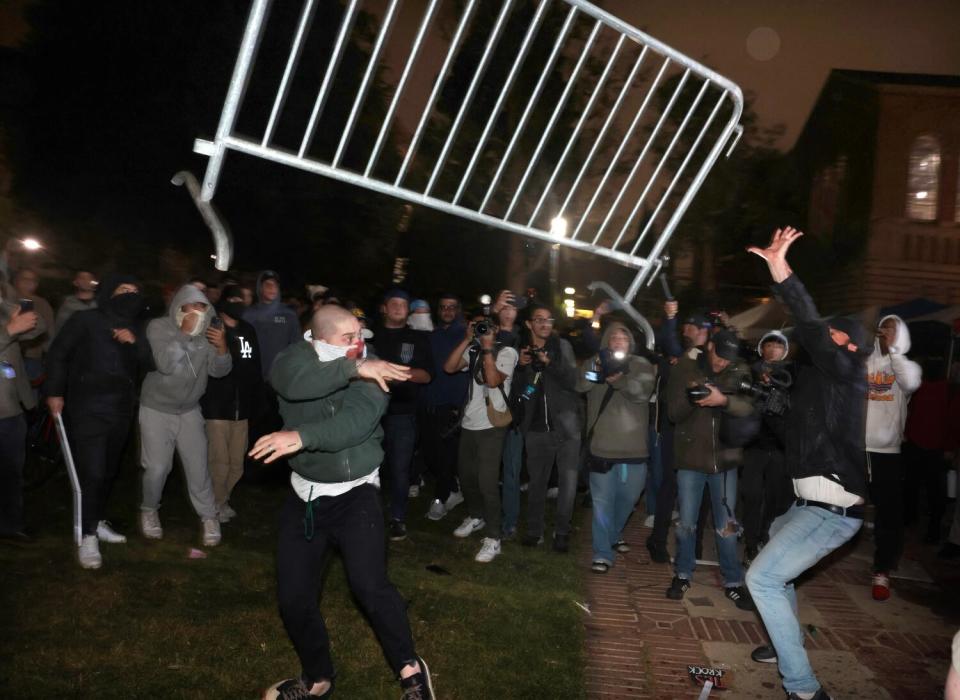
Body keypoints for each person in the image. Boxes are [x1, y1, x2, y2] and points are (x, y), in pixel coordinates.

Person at [249, 304, 433, 700]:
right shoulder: (292, 361)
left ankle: (411, 672)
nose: (357, 347)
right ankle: (317, 677)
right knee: (293, 597)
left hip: (356, 494)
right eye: (346, 339)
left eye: (359, 337)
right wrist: (350, 368)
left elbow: (353, 426)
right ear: (316, 340)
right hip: (305, 496)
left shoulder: (372, 369)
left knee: (369, 586)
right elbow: (294, 383)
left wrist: (300, 437)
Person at [745, 227, 870, 700]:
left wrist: (781, 271)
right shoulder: (819, 382)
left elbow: (814, 327)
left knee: (763, 578)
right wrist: (774, 409)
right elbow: (793, 441)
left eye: (834, 335)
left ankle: (804, 689)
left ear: (850, 344)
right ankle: (785, 644)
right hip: (807, 504)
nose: (821, 340)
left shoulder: (849, 369)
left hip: (832, 511)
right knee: (776, 552)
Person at [45, 274, 150, 568]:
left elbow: (149, 361)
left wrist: (134, 342)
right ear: (108, 293)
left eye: (134, 290)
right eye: (123, 289)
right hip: (87, 406)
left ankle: (96, 519)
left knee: (108, 471)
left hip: (121, 409)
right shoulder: (86, 320)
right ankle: (87, 535)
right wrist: (54, 391)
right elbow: (58, 354)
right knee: (92, 470)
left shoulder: (137, 327)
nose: (130, 294)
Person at [665, 327, 756, 610]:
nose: (723, 362)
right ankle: (682, 573)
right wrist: (695, 397)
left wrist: (723, 400)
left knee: (726, 526)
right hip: (691, 458)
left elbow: (748, 407)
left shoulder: (739, 369)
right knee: (686, 523)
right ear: (710, 346)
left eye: (729, 358)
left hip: (725, 459)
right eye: (720, 356)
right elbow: (672, 413)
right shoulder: (686, 367)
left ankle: (732, 582)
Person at [138, 284, 231, 546]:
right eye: (192, 306)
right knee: (157, 468)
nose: (198, 312)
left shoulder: (209, 334)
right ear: (179, 307)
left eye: (203, 306)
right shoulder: (159, 327)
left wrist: (222, 348)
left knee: (198, 466)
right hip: (156, 408)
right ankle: (149, 509)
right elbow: (165, 365)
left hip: (189, 410)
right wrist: (184, 334)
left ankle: (208, 516)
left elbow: (219, 371)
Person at [576, 321, 656, 573]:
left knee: (628, 499)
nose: (618, 340)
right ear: (606, 341)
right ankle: (602, 553)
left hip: (634, 450)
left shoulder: (640, 364)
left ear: (630, 342)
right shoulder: (593, 362)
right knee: (602, 502)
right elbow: (581, 385)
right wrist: (597, 369)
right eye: (613, 337)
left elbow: (641, 393)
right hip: (602, 447)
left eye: (623, 337)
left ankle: (612, 534)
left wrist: (619, 379)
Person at [443, 310, 518, 563]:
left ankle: (494, 537)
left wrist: (487, 348)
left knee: (487, 481)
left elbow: (494, 380)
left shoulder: (507, 352)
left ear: (496, 329)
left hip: (492, 425)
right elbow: (449, 367)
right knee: (466, 476)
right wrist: (467, 339)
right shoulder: (472, 349)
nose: (481, 330)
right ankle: (476, 516)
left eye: (486, 327)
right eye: (476, 326)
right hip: (469, 423)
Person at [512, 302, 582, 552]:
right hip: (536, 428)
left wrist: (550, 363)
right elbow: (517, 391)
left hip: (566, 427)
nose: (544, 324)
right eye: (539, 319)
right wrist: (521, 366)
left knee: (568, 483)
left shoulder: (562, 347)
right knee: (537, 483)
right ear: (529, 324)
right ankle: (534, 531)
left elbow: (575, 381)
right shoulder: (521, 351)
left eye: (549, 320)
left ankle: (562, 533)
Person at [865, 313, 921, 601]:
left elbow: (910, 384)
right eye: (884, 327)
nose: (886, 332)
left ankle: (882, 570)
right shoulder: (865, 362)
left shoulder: (907, 367)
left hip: (887, 452)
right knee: (840, 508)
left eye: (893, 329)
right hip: (857, 449)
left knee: (889, 515)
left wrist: (894, 351)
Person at [200, 284, 264, 523]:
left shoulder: (248, 330)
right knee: (219, 462)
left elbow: (255, 366)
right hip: (217, 407)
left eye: (242, 298)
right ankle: (215, 506)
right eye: (234, 298)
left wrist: (256, 399)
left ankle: (220, 500)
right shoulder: (213, 328)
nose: (239, 303)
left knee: (237, 463)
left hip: (242, 408)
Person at [372, 289, 432, 541]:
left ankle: (397, 517)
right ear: (384, 308)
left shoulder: (417, 338)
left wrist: (396, 373)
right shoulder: (368, 335)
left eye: (403, 304)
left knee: (399, 469)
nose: (398, 307)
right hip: (369, 413)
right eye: (393, 303)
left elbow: (427, 375)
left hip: (402, 413)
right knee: (369, 467)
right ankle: (367, 515)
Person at [740, 330, 795, 563]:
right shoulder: (750, 372)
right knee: (751, 495)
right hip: (754, 445)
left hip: (780, 447)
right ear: (762, 348)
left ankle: (765, 534)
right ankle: (751, 542)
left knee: (776, 498)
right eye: (769, 345)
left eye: (779, 346)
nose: (774, 350)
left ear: (785, 350)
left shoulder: (793, 375)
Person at [0, 271, 43, 541]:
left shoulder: (4, 306)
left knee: (11, 473)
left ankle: (10, 525)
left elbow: (38, 329)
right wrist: (9, 331)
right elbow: (10, 334)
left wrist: (19, 309)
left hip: (10, 409)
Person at [421, 294, 468, 521]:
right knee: (431, 455)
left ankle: (440, 499)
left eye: (452, 307)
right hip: (431, 401)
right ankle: (453, 487)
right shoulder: (433, 336)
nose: (448, 311)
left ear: (458, 310)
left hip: (454, 403)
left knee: (447, 454)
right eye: (443, 307)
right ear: (438, 311)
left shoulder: (467, 334)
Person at [491, 290, 523, 539]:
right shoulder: (487, 332)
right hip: (484, 411)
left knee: (511, 471)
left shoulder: (523, 338)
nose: (508, 311)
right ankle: (486, 516)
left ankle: (509, 521)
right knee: (486, 470)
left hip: (513, 415)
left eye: (513, 307)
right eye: (505, 306)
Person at [243, 270, 301, 379]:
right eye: (268, 284)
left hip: (281, 376)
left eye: (275, 284)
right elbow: (243, 344)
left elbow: (296, 344)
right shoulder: (249, 314)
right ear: (260, 288)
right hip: (254, 374)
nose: (272, 288)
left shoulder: (289, 314)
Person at [12, 267, 55, 386]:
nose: (28, 283)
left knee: (30, 392)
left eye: (33, 280)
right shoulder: (6, 301)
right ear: (16, 281)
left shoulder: (42, 304)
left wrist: (50, 360)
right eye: (24, 279)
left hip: (32, 358)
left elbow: (50, 333)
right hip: (7, 359)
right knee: (8, 388)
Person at [53, 269, 98, 337]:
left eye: (89, 278)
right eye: (82, 278)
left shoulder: (102, 303)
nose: (86, 281)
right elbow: (59, 328)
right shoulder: (67, 304)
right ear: (75, 282)